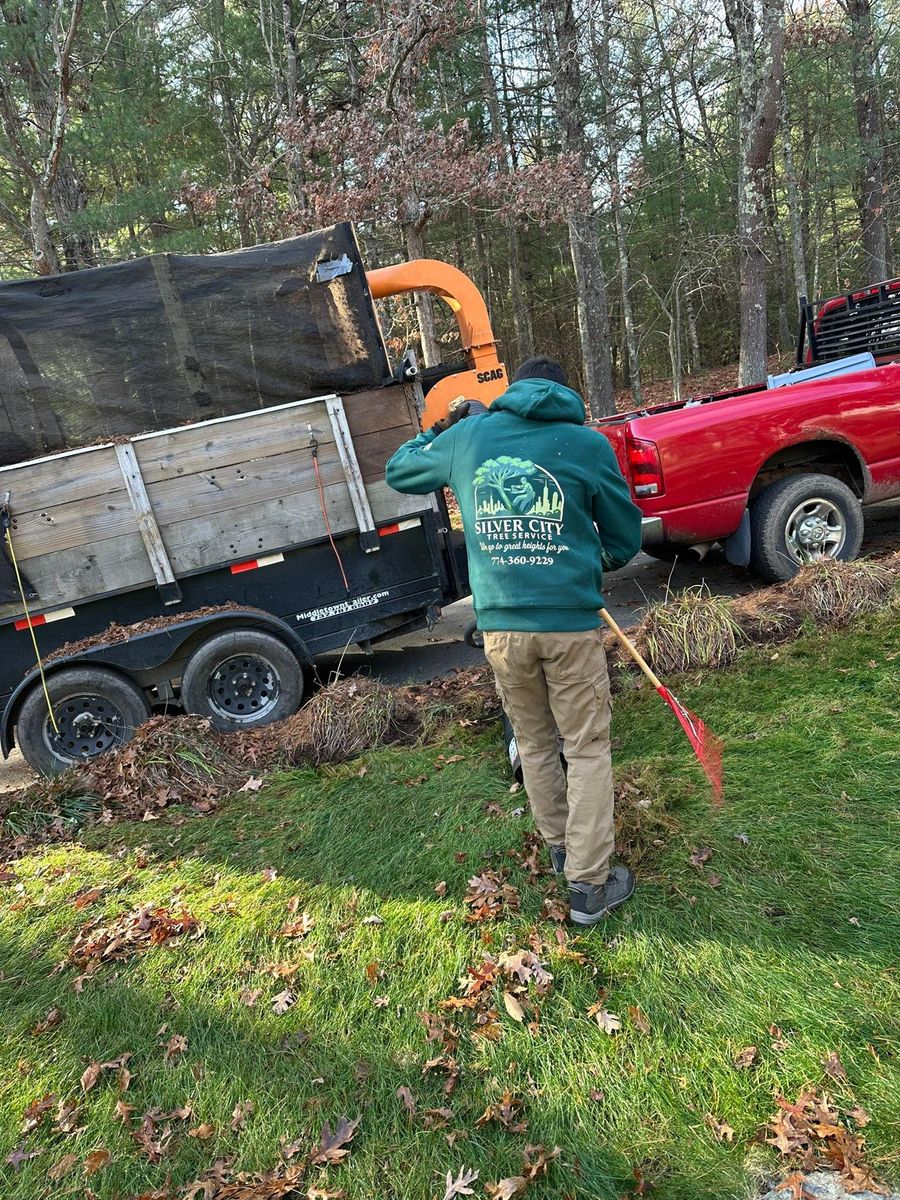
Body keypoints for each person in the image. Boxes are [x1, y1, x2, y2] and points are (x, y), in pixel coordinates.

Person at [386, 357, 643, 925]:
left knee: (534, 742)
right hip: (570, 626)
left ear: (512, 389)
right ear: (565, 392)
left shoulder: (470, 436)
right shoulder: (587, 443)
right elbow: (625, 539)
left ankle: (560, 850)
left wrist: (445, 425)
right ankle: (588, 884)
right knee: (586, 748)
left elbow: (399, 470)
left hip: (502, 629)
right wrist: (582, 565)